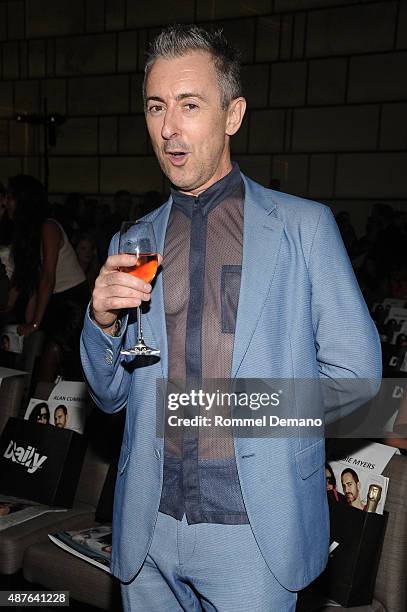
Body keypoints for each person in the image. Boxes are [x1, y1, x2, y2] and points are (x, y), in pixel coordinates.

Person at [80, 24, 382, 612]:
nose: (169, 128)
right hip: (148, 528)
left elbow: (361, 379)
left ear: (232, 115)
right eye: (156, 108)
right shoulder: (134, 238)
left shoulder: (303, 228)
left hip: (253, 531)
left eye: (190, 105)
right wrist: (101, 323)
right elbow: (110, 395)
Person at [4, 175, 90, 381]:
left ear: (23, 200)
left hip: (72, 303)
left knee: (52, 357)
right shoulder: (27, 233)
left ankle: (40, 405)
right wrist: (11, 312)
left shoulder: (49, 226)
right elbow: (28, 276)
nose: (5, 201)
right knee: (44, 358)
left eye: (9, 196)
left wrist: (34, 322)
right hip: (54, 301)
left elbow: (48, 277)